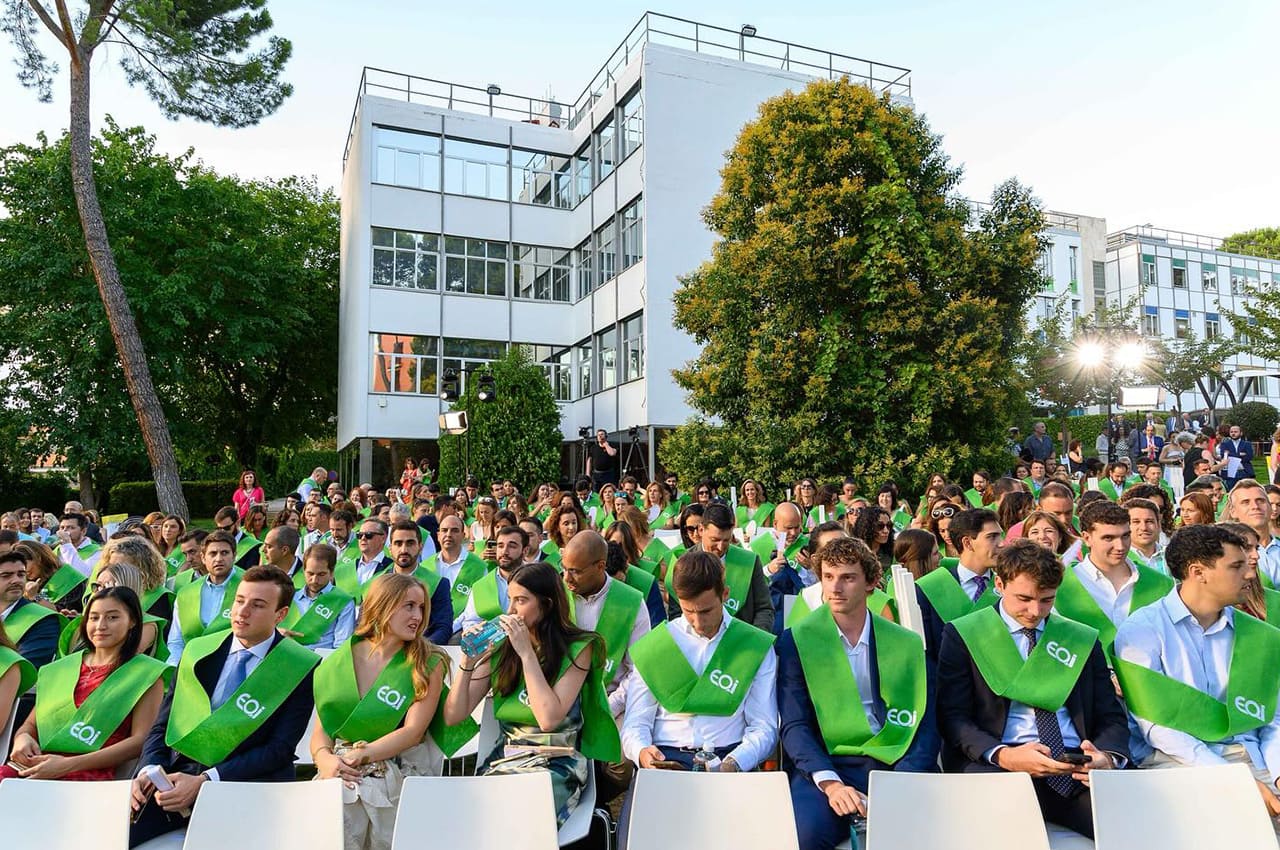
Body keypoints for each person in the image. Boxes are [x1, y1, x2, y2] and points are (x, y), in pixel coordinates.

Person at [938, 539, 1129, 839]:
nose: (1035, 611)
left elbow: (1110, 714)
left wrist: (1106, 756)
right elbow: (953, 718)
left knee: (1134, 827)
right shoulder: (963, 634)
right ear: (999, 584)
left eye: (1047, 600)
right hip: (999, 765)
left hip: (1073, 764)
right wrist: (1002, 755)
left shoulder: (1079, 639)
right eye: (1024, 598)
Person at [129, 566, 319, 845]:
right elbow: (163, 726)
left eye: (257, 605)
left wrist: (206, 780)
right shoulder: (199, 651)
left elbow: (279, 749)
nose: (242, 612)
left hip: (248, 787)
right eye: (240, 600)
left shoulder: (300, 666)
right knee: (112, 835)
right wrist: (150, 770)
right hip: (176, 777)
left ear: (281, 615)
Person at [778, 536, 939, 850]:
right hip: (829, 764)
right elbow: (794, 726)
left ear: (872, 583)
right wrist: (832, 784)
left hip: (895, 761)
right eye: (828, 577)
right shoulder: (796, 641)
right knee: (802, 837)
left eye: (848, 578)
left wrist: (897, 783)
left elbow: (927, 723)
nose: (835, 588)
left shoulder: (906, 643)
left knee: (934, 833)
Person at [1114, 524, 1280, 826]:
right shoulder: (1142, 630)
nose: (1250, 574)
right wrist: (1234, 780)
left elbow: (1272, 719)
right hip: (1176, 762)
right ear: (1198, 571)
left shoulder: (1257, 635)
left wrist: (1278, 774)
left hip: (1255, 756)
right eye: (1236, 566)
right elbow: (1156, 727)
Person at [446, 562, 619, 826]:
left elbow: (548, 718)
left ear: (546, 605)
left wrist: (526, 653)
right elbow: (454, 715)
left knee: (523, 813)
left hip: (557, 762)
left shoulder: (580, 647)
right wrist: (467, 663)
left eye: (521, 600)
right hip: (507, 759)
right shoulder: (503, 649)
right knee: (476, 815)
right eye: (510, 600)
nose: (512, 610)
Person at [311, 573, 448, 850]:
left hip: (398, 763)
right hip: (343, 762)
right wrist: (324, 759)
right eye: (408, 606)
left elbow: (413, 732)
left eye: (421, 608)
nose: (418, 616)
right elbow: (324, 728)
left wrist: (362, 754)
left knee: (365, 790)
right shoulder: (341, 659)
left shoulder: (427, 662)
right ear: (382, 605)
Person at [623, 551, 777, 776]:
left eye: (706, 611)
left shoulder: (754, 645)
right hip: (666, 756)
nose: (697, 621)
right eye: (688, 611)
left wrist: (736, 761)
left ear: (725, 594)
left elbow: (764, 726)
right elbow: (635, 723)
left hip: (730, 755)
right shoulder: (657, 645)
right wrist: (643, 753)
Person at [3, 587, 166, 782]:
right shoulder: (62, 668)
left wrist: (66, 765)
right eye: (94, 617)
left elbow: (140, 741)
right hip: (36, 764)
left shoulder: (146, 674)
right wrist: (22, 738)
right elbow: (31, 724)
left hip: (88, 775)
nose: (101, 626)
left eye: (112, 618)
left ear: (132, 621)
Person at [560, 531, 650, 803]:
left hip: (614, 699)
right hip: (561, 698)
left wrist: (608, 706)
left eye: (574, 571)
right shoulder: (558, 594)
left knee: (621, 762)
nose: (567, 578)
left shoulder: (631, 602)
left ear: (600, 566)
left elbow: (638, 669)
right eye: (564, 569)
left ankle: (594, 803)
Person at [1054, 501, 1172, 659]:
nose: (1120, 546)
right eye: (1108, 538)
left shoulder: (1161, 584)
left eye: (1125, 536)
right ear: (1087, 538)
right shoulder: (1060, 585)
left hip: (1148, 677)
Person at [664, 503, 773, 631]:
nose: (720, 547)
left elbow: (764, 609)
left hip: (743, 642)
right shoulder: (682, 563)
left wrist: (755, 640)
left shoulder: (750, 562)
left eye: (726, 540)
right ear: (701, 530)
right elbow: (676, 614)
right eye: (714, 539)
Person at [915, 509, 1003, 661]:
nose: (1001, 543)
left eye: (1000, 535)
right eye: (992, 537)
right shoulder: (929, 588)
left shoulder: (1006, 587)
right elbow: (925, 655)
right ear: (967, 543)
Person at [164, 530, 243, 664]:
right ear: (203, 557)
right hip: (192, 666)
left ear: (234, 555)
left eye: (224, 553)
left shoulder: (249, 586)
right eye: (213, 553)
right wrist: (174, 670)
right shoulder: (185, 593)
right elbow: (176, 641)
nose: (218, 559)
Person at [385, 520, 454, 646]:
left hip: (421, 652)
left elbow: (443, 627)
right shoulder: (378, 582)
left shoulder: (438, 584)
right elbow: (364, 624)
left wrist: (420, 648)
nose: (404, 549)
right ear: (390, 549)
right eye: (398, 543)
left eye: (410, 543)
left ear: (420, 547)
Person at [281, 544, 356, 650]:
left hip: (321, 662)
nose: (315, 580)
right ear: (303, 571)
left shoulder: (343, 602)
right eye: (310, 574)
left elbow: (340, 647)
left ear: (332, 572)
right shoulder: (289, 596)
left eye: (321, 574)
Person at [457, 525, 527, 634]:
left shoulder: (537, 581)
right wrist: (473, 630)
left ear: (525, 551)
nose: (504, 552)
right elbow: (471, 621)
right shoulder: (481, 586)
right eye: (500, 546)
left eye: (512, 546)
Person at [0, 550, 61, 667]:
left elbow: (25, 669)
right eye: (6, 575)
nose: (16, 580)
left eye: (21, 574)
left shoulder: (43, 620)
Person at [1225, 479, 1280, 588]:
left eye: (1261, 501)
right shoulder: (1225, 551)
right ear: (1233, 512)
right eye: (1246, 502)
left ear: (1270, 508)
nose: (1255, 506)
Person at [334, 519, 393, 605]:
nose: (363, 538)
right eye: (359, 535)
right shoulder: (345, 568)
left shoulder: (392, 568)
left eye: (369, 535)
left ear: (383, 538)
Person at [1125, 497, 1168, 575]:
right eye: (1136, 522)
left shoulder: (1172, 555)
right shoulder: (1121, 559)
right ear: (1125, 526)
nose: (1144, 528)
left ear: (1158, 525)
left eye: (1149, 521)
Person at [55, 512, 102, 576]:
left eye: (71, 527)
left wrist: (67, 544)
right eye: (62, 527)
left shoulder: (96, 551)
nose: (64, 531)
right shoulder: (57, 549)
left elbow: (82, 574)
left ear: (83, 531)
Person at [1218, 424, 1256, 491]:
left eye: (1235, 432)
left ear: (1241, 433)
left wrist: (1232, 455)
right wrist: (1239, 454)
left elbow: (1249, 456)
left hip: (1244, 471)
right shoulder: (1225, 444)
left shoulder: (1247, 444)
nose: (1233, 433)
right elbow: (1224, 456)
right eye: (1231, 432)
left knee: (1246, 491)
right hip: (1230, 471)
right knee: (1230, 491)